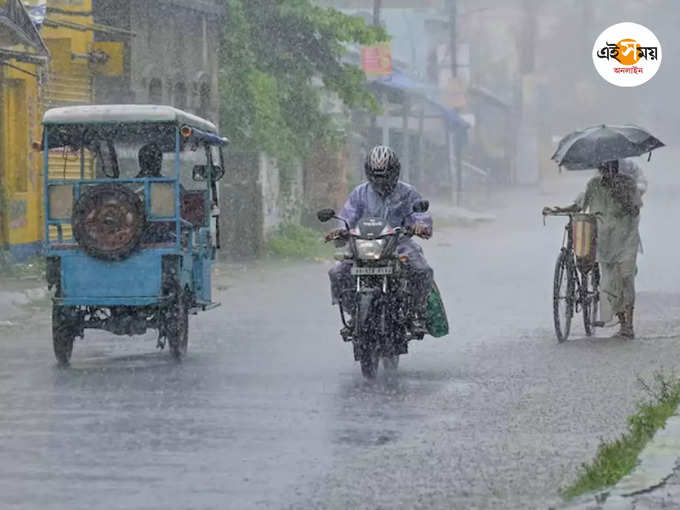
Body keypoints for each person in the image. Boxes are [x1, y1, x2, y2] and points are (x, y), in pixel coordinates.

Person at [328, 145, 434, 335]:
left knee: (422, 270)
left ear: (395, 171)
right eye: (376, 175)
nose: (381, 180)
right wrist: (339, 231)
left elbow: (421, 217)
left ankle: (416, 313)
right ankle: (354, 312)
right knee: (337, 273)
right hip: (363, 244)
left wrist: (420, 226)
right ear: (369, 173)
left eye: (385, 175)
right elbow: (347, 217)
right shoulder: (359, 193)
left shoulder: (408, 193)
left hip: (399, 243)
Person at [545, 160, 642, 338]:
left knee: (626, 277)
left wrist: (622, 195)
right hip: (605, 242)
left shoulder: (628, 183)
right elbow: (581, 204)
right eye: (604, 168)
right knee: (609, 284)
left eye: (611, 167)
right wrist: (561, 209)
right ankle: (622, 322)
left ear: (616, 166)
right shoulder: (594, 184)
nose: (607, 171)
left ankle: (629, 324)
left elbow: (635, 209)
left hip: (626, 237)